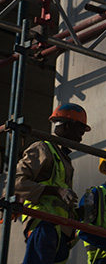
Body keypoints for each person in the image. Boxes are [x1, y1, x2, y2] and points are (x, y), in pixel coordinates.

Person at [15, 103, 90, 264]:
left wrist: (79, 214)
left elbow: (59, 204)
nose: (81, 138)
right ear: (68, 125)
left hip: (61, 231)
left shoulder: (64, 159)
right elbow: (16, 182)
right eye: (80, 132)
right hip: (44, 225)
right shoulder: (43, 148)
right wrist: (56, 191)